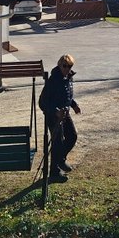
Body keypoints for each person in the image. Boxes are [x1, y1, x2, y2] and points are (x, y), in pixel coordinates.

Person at [42, 54, 81, 182]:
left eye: (70, 66)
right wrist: (55, 111)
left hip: (65, 113)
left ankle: (60, 160)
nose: (67, 69)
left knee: (72, 136)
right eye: (65, 66)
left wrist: (74, 105)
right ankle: (54, 172)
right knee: (57, 142)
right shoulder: (53, 80)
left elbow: (67, 95)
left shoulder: (68, 78)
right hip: (53, 116)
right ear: (59, 65)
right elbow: (42, 102)